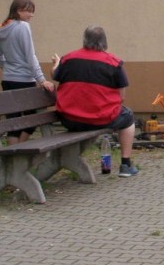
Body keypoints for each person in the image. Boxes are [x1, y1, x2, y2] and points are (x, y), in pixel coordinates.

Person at [52, 25, 139, 177]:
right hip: (100, 119)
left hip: (69, 119)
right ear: (104, 41)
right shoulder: (113, 63)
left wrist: (56, 65)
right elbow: (121, 97)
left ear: (84, 40)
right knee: (128, 116)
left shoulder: (68, 59)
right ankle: (125, 165)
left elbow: (55, 75)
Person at [0, 0, 55, 145]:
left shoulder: (0, 29)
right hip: (24, 80)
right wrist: (41, 79)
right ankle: (20, 153)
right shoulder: (23, 26)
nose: (31, 15)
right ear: (19, 11)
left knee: (13, 121)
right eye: (29, 11)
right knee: (31, 120)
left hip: (7, 79)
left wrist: (9, 69)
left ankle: (13, 157)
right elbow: (30, 55)